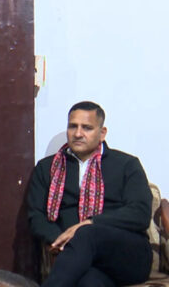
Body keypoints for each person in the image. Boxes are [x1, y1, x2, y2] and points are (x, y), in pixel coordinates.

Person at [27, 101, 153, 286]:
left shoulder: (126, 165)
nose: (78, 133)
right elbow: (36, 216)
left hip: (126, 254)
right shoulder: (47, 168)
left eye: (87, 128)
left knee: (86, 233)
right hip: (75, 257)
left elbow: (140, 213)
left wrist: (90, 223)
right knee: (89, 282)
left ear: (102, 133)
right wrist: (60, 241)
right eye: (73, 126)